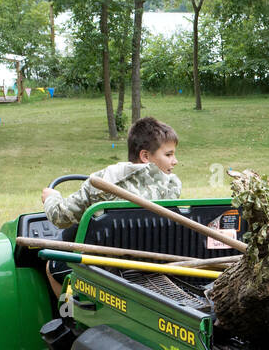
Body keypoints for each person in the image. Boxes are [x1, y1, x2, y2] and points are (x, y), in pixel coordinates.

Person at [40, 116, 182, 296]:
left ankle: (72, 316)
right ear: (145, 156)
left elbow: (61, 217)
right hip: (153, 265)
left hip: (107, 270)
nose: (175, 161)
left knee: (52, 266)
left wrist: (51, 197)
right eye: (169, 154)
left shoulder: (102, 181)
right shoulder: (172, 186)